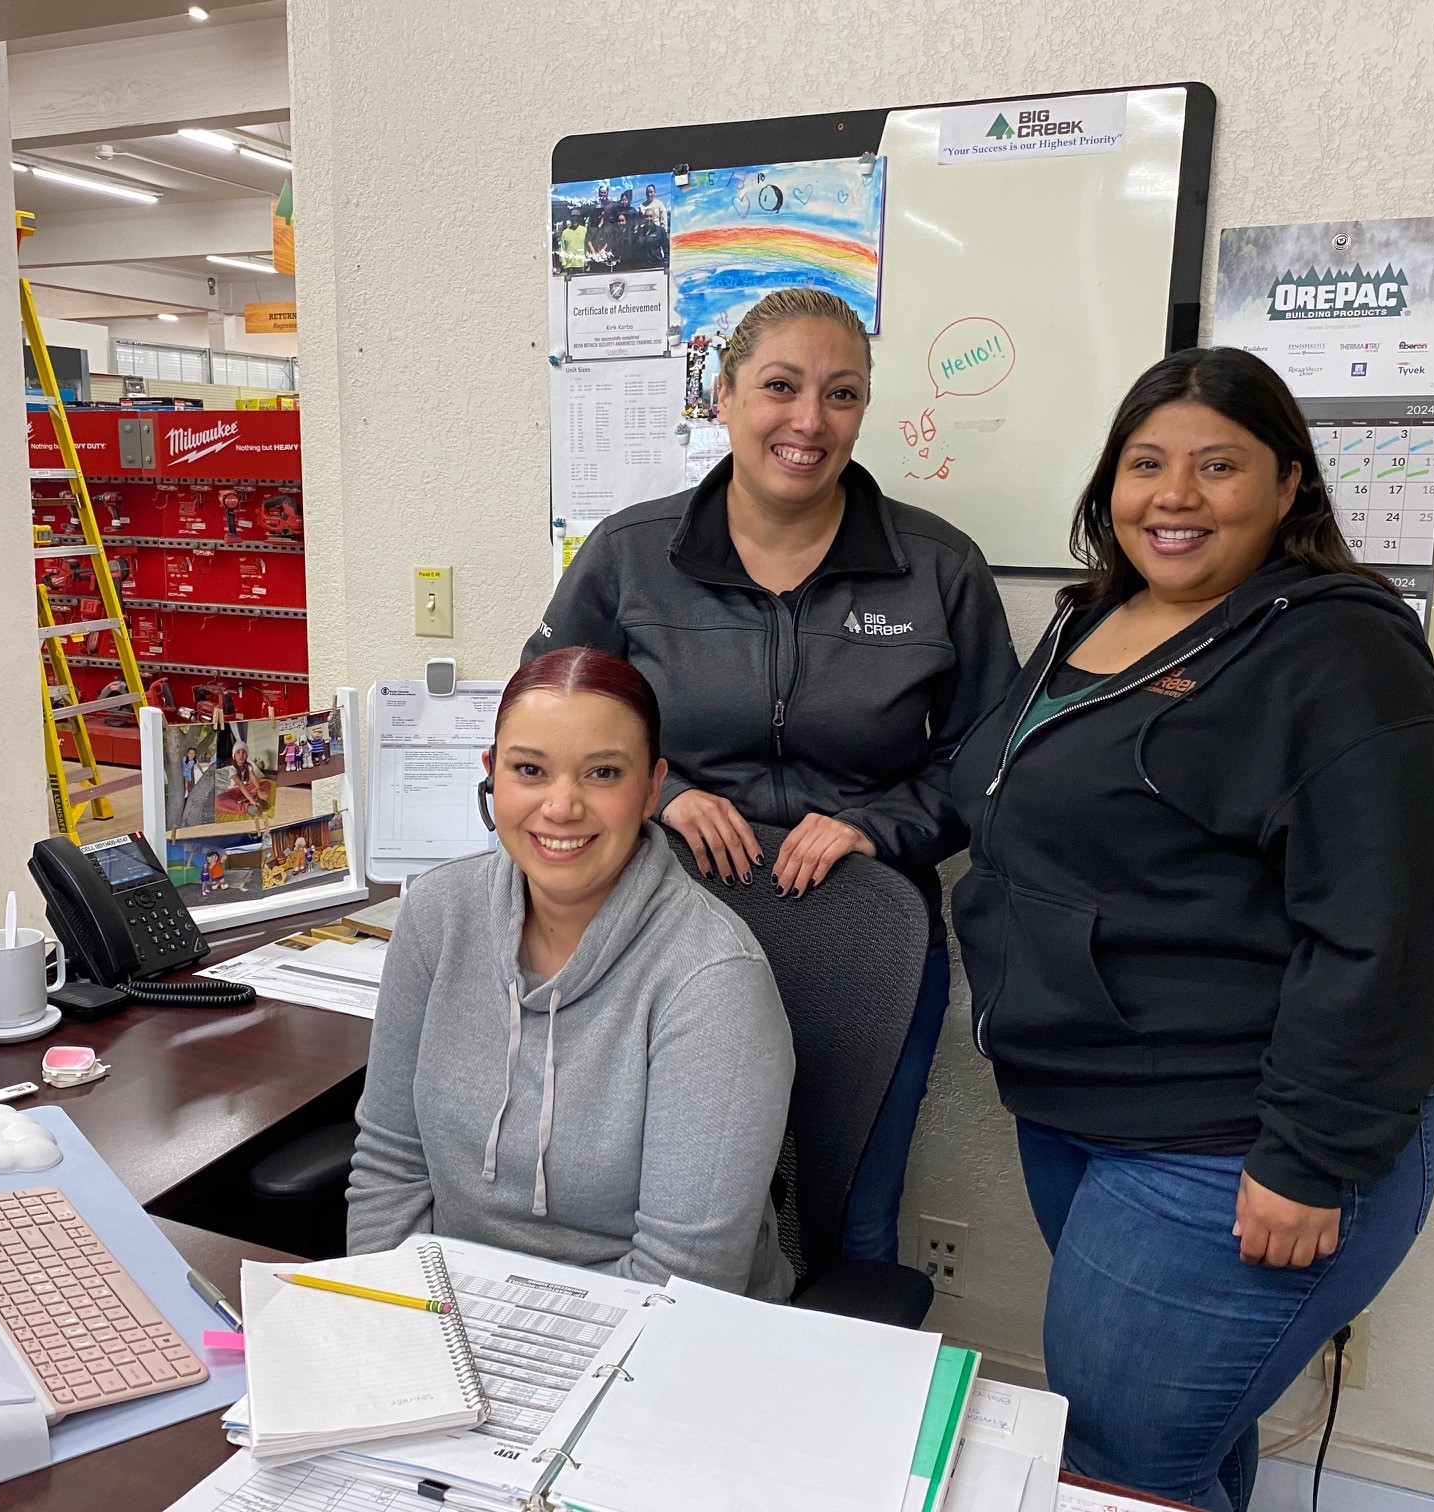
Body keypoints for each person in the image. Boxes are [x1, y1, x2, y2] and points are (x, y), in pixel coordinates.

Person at [947, 347, 1434, 1512]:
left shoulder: (1335, 651)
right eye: (1146, 464)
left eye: (1217, 465)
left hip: (1228, 1140)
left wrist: (1307, 1159)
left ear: (1290, 484)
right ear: (1109, 486)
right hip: (1082, 1111)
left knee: (1119, 1470)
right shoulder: (1090, 620)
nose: (1174, 496)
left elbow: (1401, 930)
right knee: (1179, 1455)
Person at [526, 286, 1018, 1264]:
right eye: (780, 387)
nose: (808, 420)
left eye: (841, 395)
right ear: (723, 394)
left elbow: (988, 758)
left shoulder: (938, 568)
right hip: (662, 933)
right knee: (659, 1206)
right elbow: (542, 738)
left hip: (866, 945)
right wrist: (662, 796)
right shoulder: (629, 555)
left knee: (850, 1220)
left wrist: (880, 823)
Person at [347, 647, 795, 1298]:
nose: (561, 807)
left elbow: (685, 1278)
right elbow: (390, 1167)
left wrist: (485, 1334)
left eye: (602, 774)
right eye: (529, 769)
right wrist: (392, 1319)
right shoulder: (437, 916)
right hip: (444, 1324)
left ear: (651, 789)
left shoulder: (713, 977)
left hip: (651, 1345)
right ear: (491, 775)